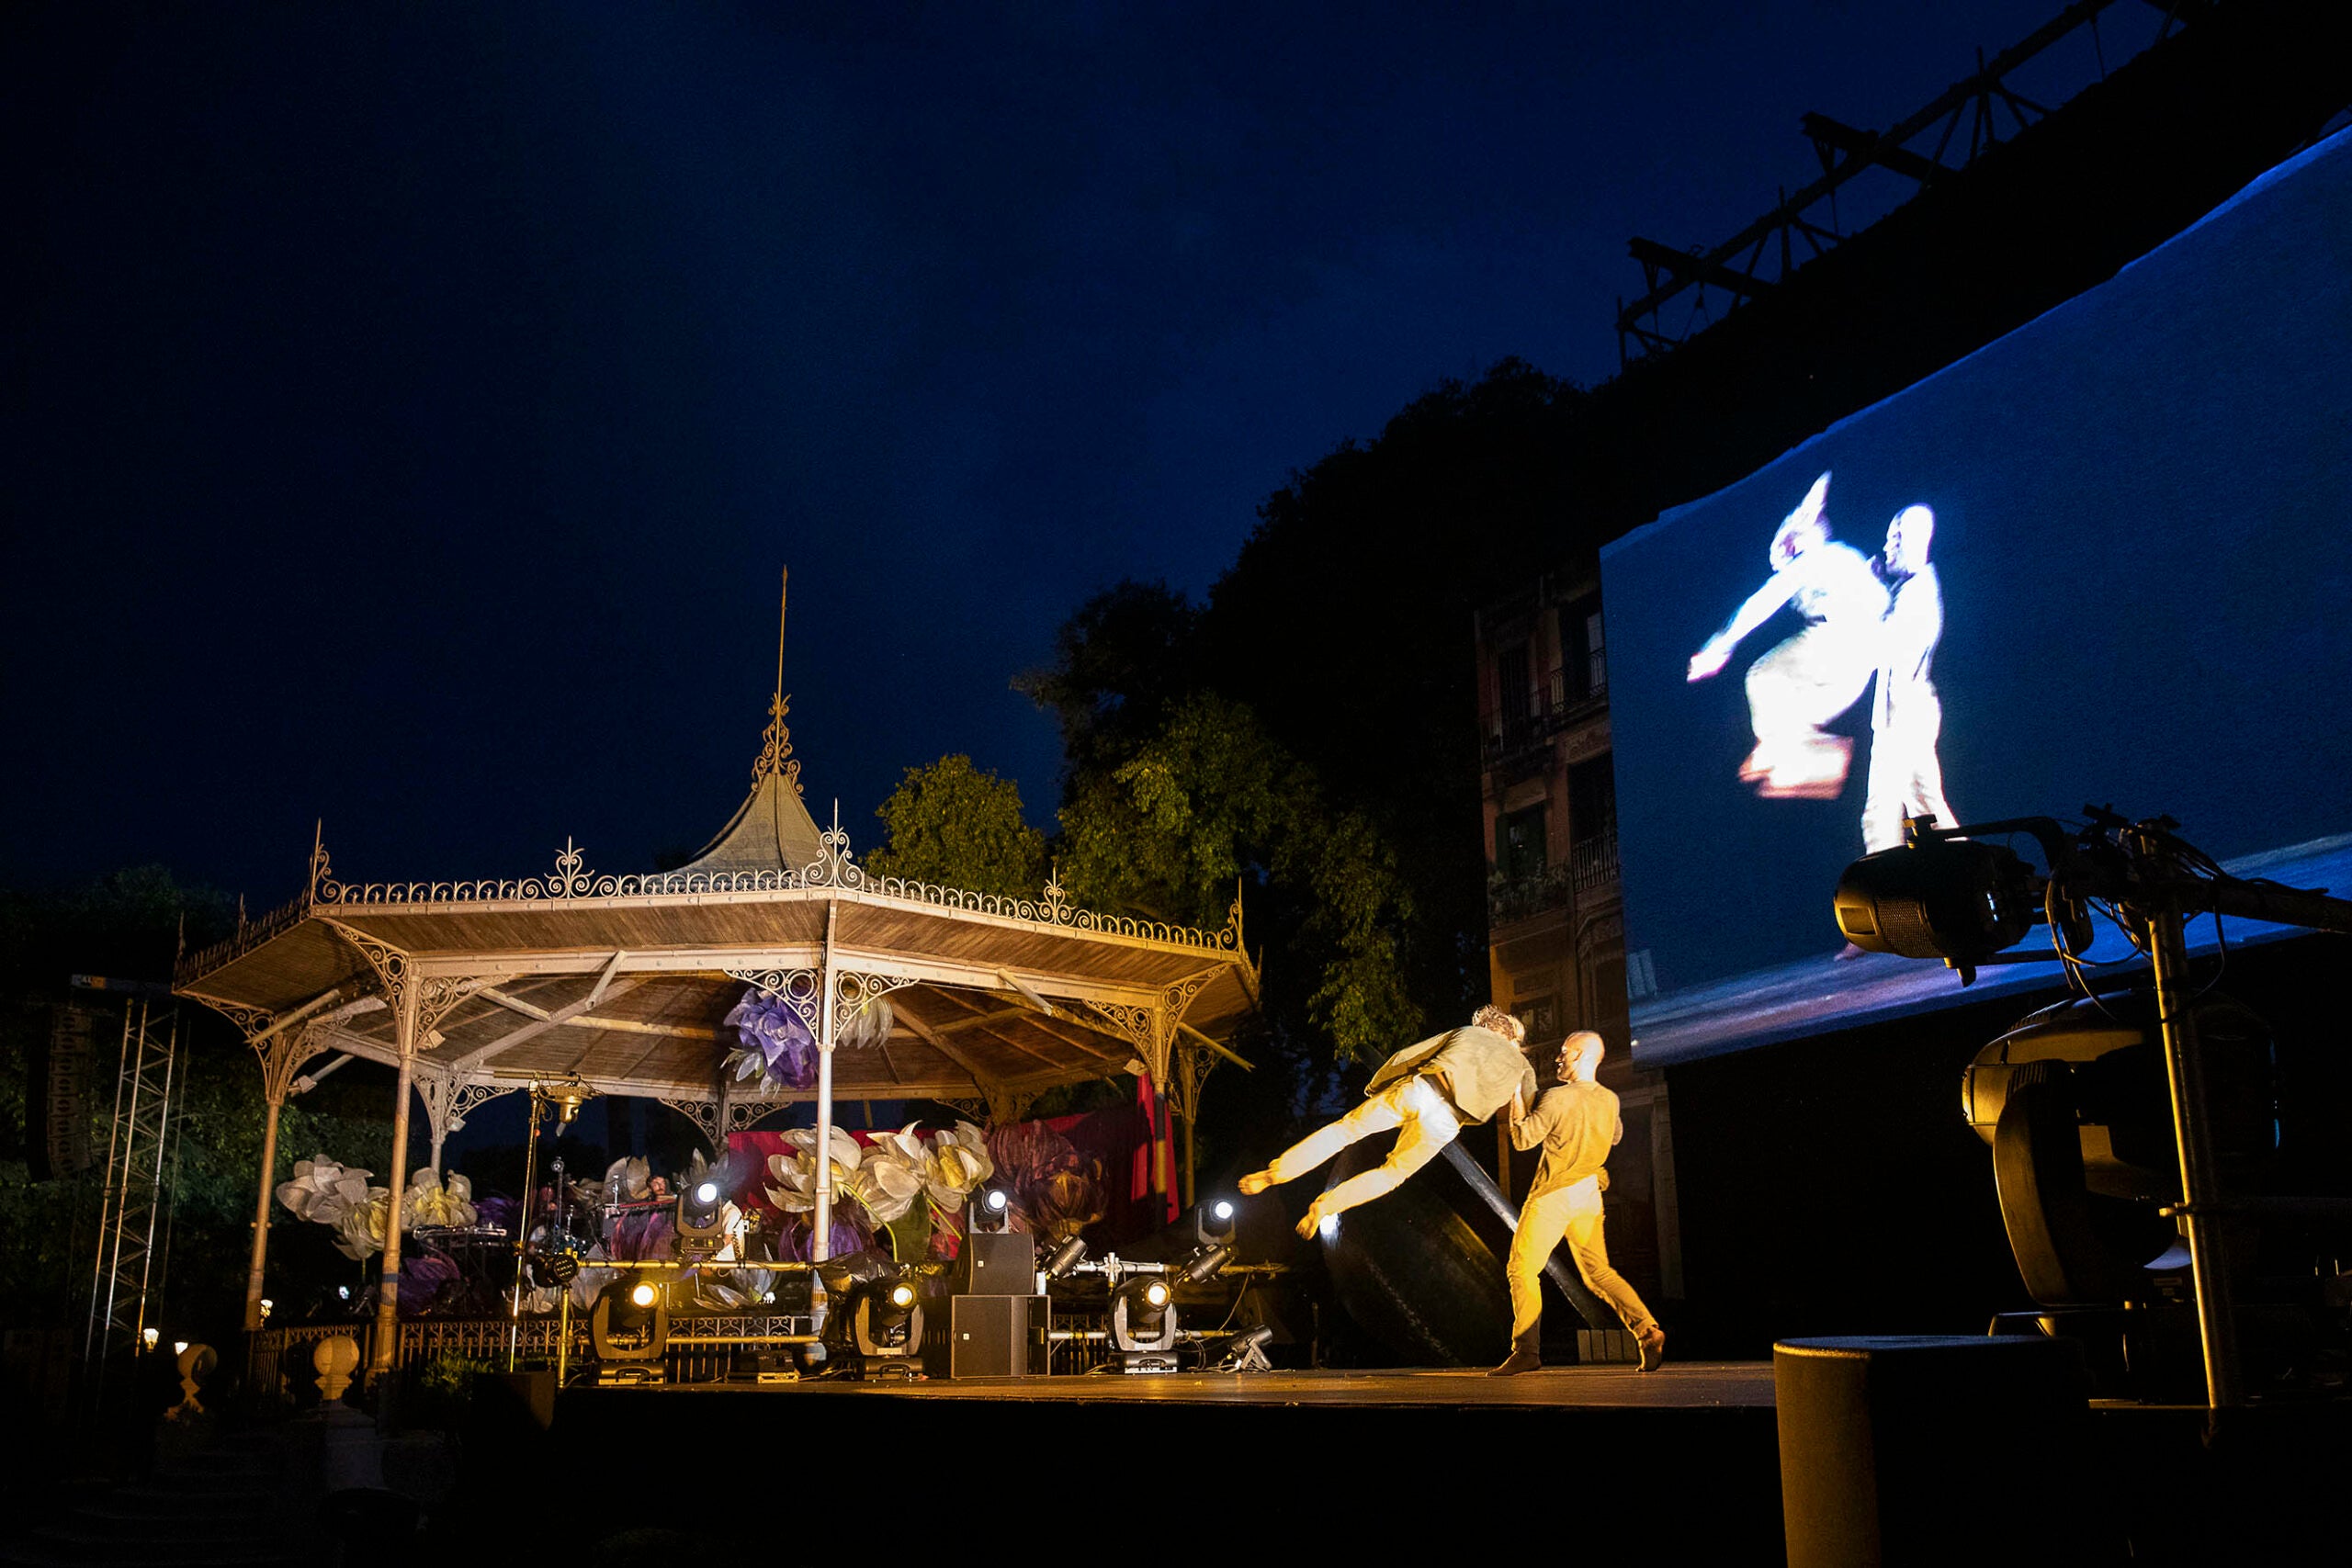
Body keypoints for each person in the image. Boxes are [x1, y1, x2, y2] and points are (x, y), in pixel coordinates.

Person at [1239, 1005, 1536, 1240]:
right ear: (1514, 1039)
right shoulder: (1523, 1067)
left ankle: (1275, 1173)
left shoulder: (1469, 1033)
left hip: (1421, 1090)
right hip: (1446, 1121)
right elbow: (1524, 1118)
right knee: (1393, 1174)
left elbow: (1407, 1057)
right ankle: (1326, 1206)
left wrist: (1377, 1087)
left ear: (1487, 1027)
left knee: (1346, 1131)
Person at [1688, 471, 1889, 799]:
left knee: (1763, 677)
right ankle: (1806, 752)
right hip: (1856, 670)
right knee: (1792, 705)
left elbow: (1762, 604)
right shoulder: (1845, 559)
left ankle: (1795, 749)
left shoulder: (1816, 558)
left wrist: (1719, 647)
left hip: (1840, 642)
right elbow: (1880, 601)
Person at [1494, 1031, 1665, 1374]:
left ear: (1580, 1055)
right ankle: (1646, 1330)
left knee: (1522, 1268)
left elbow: (1524, 1139)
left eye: (1563, 1052)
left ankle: (1526, 1351)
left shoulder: (1557, 1098)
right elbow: (1614, 1136)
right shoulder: (1610, 1100)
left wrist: (1514, 1094)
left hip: (1554, 1195)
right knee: (1599, 1273)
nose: (1558, 1058)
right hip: (1589, 1195)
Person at [1860, 504, 1957, 854]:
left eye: (1894, 539)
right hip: (1905, 711)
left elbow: (1881, 646)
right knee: (1925, 806)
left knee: (1881, 812)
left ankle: (1888, 895)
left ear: (1915, 541)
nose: (1887, 547)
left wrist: (1868, 594)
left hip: (1906, 712)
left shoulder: (1917, 594)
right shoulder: (1910, 590)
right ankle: (1976, 880)